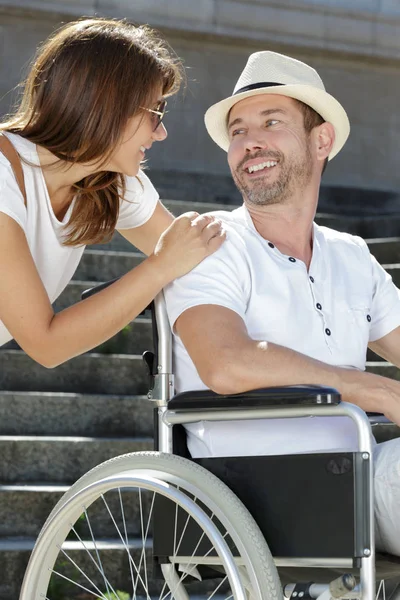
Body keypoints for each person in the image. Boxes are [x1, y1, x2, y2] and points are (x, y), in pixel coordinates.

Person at [164, 51, 400, 555]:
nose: (250, 142)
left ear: (321, 141)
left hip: (360, 472)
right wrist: (370, 389)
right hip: (259, 491)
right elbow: (225, 364)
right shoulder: (207, 244)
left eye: (271, 122)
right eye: (238, 131)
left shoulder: (351, 256)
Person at [0, 17, 225, 367]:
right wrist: (160, 266)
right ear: (106, 105)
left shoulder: (106, 180)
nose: (161, 133)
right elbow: (46, 344)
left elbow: (200, 255)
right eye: (156, 112)